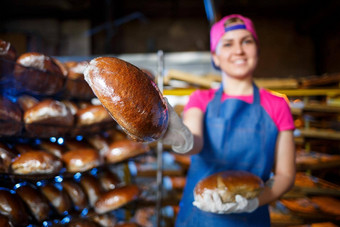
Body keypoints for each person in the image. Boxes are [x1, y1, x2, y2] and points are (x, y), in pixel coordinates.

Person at [161, 14, 296, 226]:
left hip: (251, 217)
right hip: (199, 218)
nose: (239, 50)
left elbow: (286, 175)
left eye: (247, 41)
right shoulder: (200, 99)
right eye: (228, 44)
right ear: (215, 56)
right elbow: (194, 143)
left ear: (256, 49)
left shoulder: (277, 105)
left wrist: (253, 202)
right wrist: (181, 138)